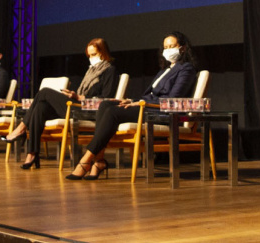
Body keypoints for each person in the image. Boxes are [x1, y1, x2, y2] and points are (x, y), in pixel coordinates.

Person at [67, 31, 197, 181]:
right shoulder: (164, 70)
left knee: (113, 113)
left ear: (183, 48)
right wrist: (131, 100)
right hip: (147, 106)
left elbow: (172, 100)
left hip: (160, 112)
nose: (168, 50)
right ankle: (99, 161)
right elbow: (150, 94)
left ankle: (86, 159)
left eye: (172, 46)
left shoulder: (186, 69)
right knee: (105, 105)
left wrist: (141, 103)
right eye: (165, 47)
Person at [1, 38, 117, 169]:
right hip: (78, 105)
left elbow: (106, 99)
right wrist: (74, 95)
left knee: (44, 92)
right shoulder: (91, 71)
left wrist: (80, 97)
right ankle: (32, 154)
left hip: (89, 111)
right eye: (89, 55)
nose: (91, 58)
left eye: (94, 54)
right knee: (40, 107)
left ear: (103, 53)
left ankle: (21, 128)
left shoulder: (109, 70)